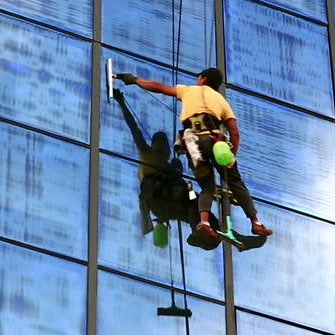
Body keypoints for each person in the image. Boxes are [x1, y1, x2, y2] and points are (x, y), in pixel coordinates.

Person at [115, 68, 273, 244]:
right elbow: (235, 133)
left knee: (203, 193)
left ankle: (206, 227)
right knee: (233, 183)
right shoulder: (221, 101)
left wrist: (134, 79)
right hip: (210, 149)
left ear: (203, 79)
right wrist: (231, 159)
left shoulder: (189, 90)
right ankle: (254, 222)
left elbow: (158, 86)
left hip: (191, 149)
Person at [112, 88, 222, 250]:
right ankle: (199, 228)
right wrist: (121, 102)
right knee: (182, 193)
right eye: (161, 146)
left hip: (174, 205)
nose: (164, 151)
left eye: (165, 148)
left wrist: (192, 190)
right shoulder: (148, 153)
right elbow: (133, 127)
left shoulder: (169, 167)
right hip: (158, 200)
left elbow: (187, 191)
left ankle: (210, 230)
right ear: (155, 146)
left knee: (195, 200)